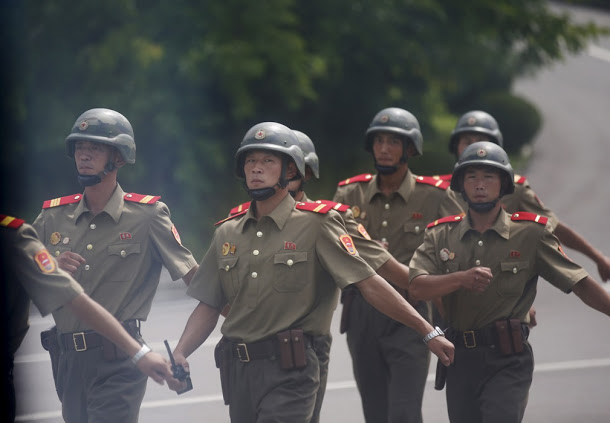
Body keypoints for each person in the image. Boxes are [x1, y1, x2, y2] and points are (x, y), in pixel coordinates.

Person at [166, 122, 454, 423]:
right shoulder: (228, 231)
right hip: (238, 372)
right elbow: (209, 303)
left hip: (292, 369)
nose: (256, 168)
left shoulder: (318, 223)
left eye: (267, 161)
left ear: (291, 170)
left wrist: (427, 330)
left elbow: (369, 283)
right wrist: (181, 351)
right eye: (250, 160)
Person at [408, 141, 610, 423]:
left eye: (488, 177)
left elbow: (580, 283)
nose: (480, 184)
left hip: (508, 359)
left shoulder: (530, 233)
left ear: (503, 184)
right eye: (472, 177)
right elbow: (416, 286)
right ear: (461, 185)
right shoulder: (441, 234)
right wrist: (459, 279)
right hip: (460, 359)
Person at [32, 108, 199, 423]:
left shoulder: (148, 216)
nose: (85, 155)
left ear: (119, 157)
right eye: (80, 147)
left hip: (120, 360)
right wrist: (49, 267)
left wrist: (243, 325)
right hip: (66, 360)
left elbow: (199, 281)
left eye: (95, 148)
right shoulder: (52, 218)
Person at [332, 107, 461, 423]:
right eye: (378, 141)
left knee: (403, 412)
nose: (384, 149)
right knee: (374, 412)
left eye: (393, 141)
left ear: (410, 149)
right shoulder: (349, 193)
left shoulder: (435, 196)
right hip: (362, 312)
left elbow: (462, 251)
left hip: (412, 310)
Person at [1, 215, 173, 423]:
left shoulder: (11, 236)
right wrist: (139, 353)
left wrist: (138, 352)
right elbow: (73, 299)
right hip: (70, 361)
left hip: (114, 362)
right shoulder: (28, 228)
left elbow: (73, 299)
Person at [440, 110, 610, 285]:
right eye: (467, 142)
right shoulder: (436, 190)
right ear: (455, 147)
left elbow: (553, 226)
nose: (474, 147)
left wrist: (597, 258)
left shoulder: (513, 188)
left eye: (482, 141)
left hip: (501, 286)